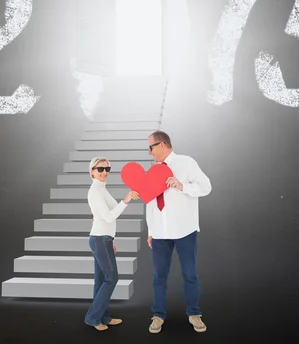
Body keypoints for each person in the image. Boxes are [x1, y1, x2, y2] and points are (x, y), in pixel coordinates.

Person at [145, 130, 212, 333]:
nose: (150, 153)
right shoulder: (153, 170)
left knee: (189, 274)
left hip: (185, 231)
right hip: (160, 234)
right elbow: (150, 202)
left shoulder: (186, 163)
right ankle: (158, 315)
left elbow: (206, 186)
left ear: (162, 144)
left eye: (151, 148)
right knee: (159, 276)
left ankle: (194, 313)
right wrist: (151, 229)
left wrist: (182, 186)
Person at [84, 156, 139, 331]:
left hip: (104, 239)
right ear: (92, 171)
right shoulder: (95, 191)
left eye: (107, 169)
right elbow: (108, 216)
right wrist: (126, 200)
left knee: (101, 281)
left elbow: (108, 217)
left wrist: (111, 239)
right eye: (100, 169)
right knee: (111, 278)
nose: (104, 172)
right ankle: (92, 317)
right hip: (99, 239)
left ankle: (103, 317)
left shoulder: (103, 189)